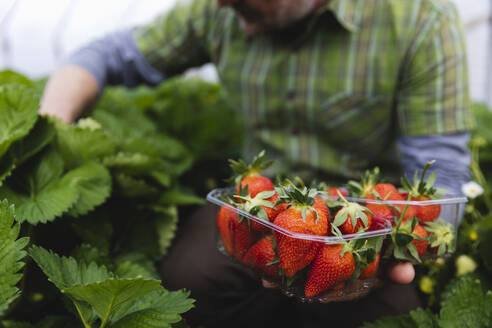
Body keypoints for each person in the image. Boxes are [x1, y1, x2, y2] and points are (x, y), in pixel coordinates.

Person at [39, 0, 474, 327]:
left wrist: (405, 242)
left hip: (363, 222)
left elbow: (442, 174)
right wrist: (49, 128)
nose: (225, 4)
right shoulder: (220, 8)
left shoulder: (418, 19)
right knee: (184, 279)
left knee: (392, 317)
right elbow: (106, 55)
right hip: (256, 202)